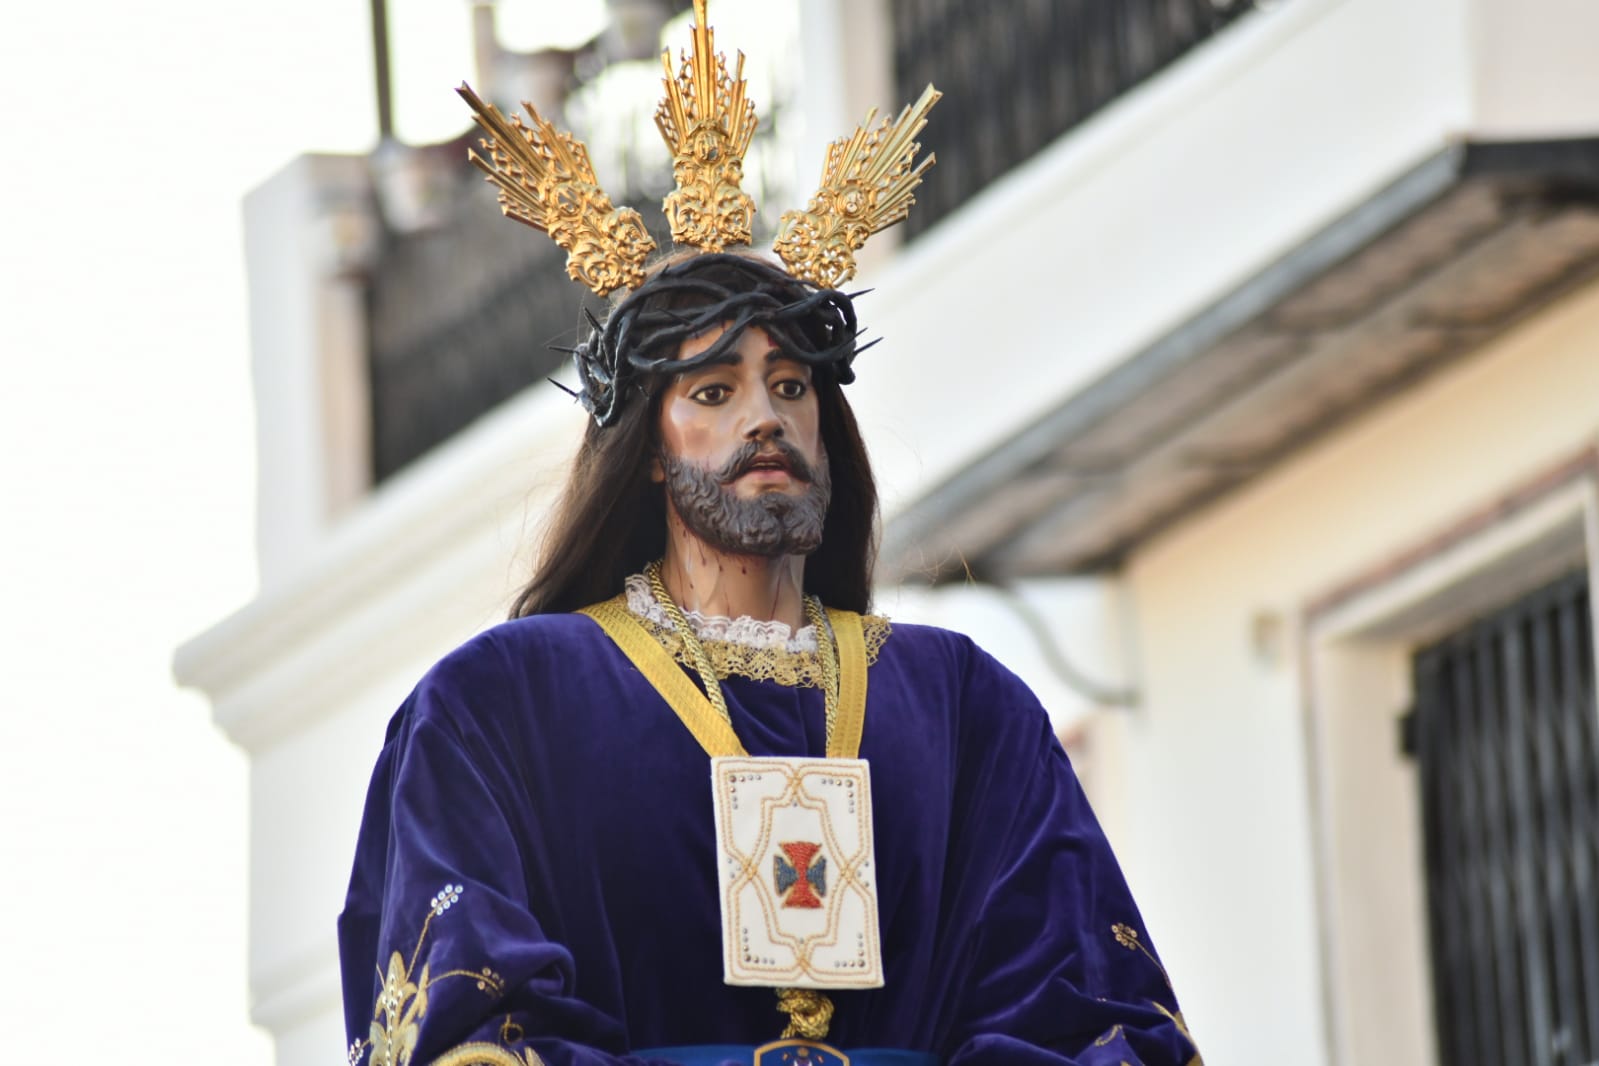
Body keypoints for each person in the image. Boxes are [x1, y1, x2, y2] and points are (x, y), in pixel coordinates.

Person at [338, 6, 1202, 1066]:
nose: (767, 417)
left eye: (791, 386)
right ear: (648, 451)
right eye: (714, 390)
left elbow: (1088, 1007)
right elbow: (467, 1017)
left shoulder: (964, 710)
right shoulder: (502, 706)